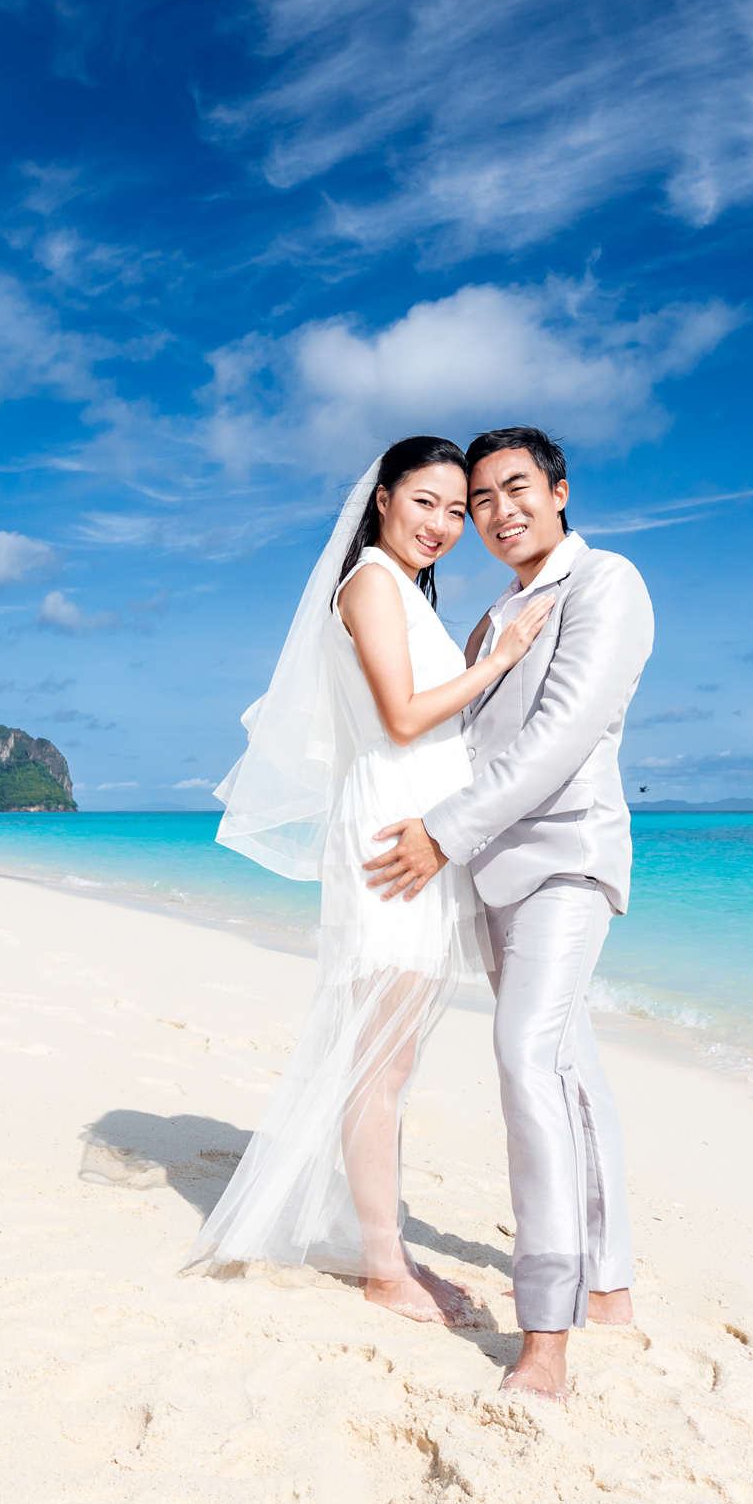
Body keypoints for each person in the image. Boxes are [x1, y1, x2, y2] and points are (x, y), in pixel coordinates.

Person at [193, 435, 557, 1324]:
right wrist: (498, 660)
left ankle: (377, 1247)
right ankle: (385, 1268)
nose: (442, 523)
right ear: (384, 499)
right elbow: (401, 718)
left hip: (419, 833)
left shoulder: (401, 592)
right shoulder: (369, 583)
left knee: (388, 1062)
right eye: (424, 502)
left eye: (453, 509)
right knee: (378, 1071)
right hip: (394, 837)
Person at [363, 426, 654, 1403]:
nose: (496, 511)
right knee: (566, 1061)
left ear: (561, 490)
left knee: (524, 1054)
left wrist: (442, 830)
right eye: (479, 497)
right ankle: (607, 1284)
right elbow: (451, 736)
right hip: (488, 872)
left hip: (566, 857)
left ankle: (547, 1335)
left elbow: (563, 734)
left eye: (515, 488)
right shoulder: (490, 622)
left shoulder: (606, 583)